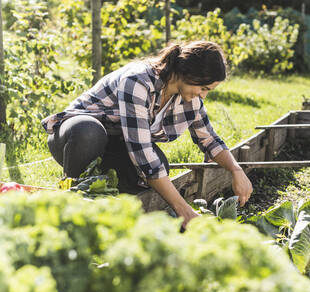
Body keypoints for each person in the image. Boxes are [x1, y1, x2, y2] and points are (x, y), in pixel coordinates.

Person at [42, 40, 253, 228]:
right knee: (90, 132)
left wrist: (236, 170)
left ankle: (108, 207)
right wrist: (183, 208)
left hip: (114, 144)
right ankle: (72, 201)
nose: (203, 95)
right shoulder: (138, 80)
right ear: (190, 74)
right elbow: (141, 152)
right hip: (74, 136)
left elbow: (208, 139)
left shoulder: (189, 99)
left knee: (159, 165)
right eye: (204, 88)